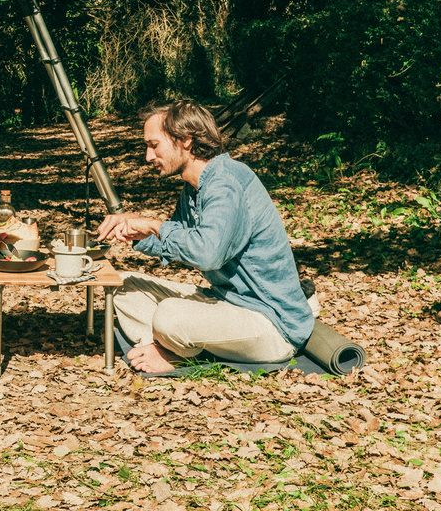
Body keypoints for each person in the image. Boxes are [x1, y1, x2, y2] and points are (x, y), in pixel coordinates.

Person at [96, 99, 316, 374]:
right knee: (123, 285)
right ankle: (165, 346)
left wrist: (154, 225)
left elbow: (207, 253)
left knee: (169, 315)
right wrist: (135, 234)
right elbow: (177, 240)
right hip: (226, 302)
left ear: (186, 141)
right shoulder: (194, 188)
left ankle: (173, 351)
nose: (148, 156)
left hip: (271, 322)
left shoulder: (226, 183)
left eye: (153, 145)